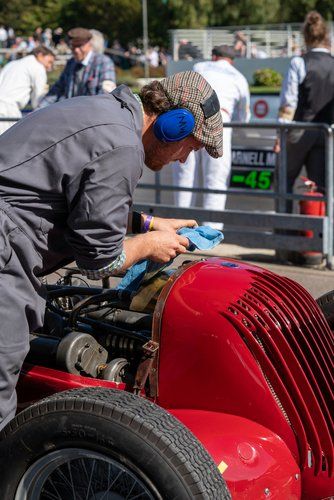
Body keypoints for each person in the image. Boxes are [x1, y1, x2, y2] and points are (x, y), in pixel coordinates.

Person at [0, 70, 223, 430]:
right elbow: (98, 261)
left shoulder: (108, 114)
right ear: (174, 124)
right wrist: (148, 245)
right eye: (191, 146)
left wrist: (148, 225)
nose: (184, 160)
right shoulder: (122, 146)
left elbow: (80, 202)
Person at [173, 45, 250, 229]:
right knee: (215, 177)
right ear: (231, 60)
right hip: (222, 120)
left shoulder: (200, 67)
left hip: (191, 115)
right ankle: (211, 231)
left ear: (214, 57)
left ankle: (179, 226)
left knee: (185, 172)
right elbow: (244, 117)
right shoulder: (239, 77)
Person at [275, 11, 334, 213]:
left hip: (299, 131)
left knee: (284, 180)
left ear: (305, 36)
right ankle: (317, 238)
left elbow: (288, 103)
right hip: (326, 132)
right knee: (320, 187)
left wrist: (279, 135)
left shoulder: (299, 62)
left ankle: (284, 236)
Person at [38, 27, 116, 107]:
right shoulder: (71, 63)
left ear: (89, 44)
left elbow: (106, 96)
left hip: (93, 114)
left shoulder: (104, 62)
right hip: (72, 114)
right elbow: (57, 90)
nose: (76, 50)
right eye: (73, 46)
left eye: (80, 46)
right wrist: (38, 110)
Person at [0, 46, 55, 134]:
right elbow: (37, 101)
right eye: (49, 62)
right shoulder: (38, 68)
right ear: (40, 55)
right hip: (8, 110)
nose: (49, 66)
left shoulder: (12, 63)